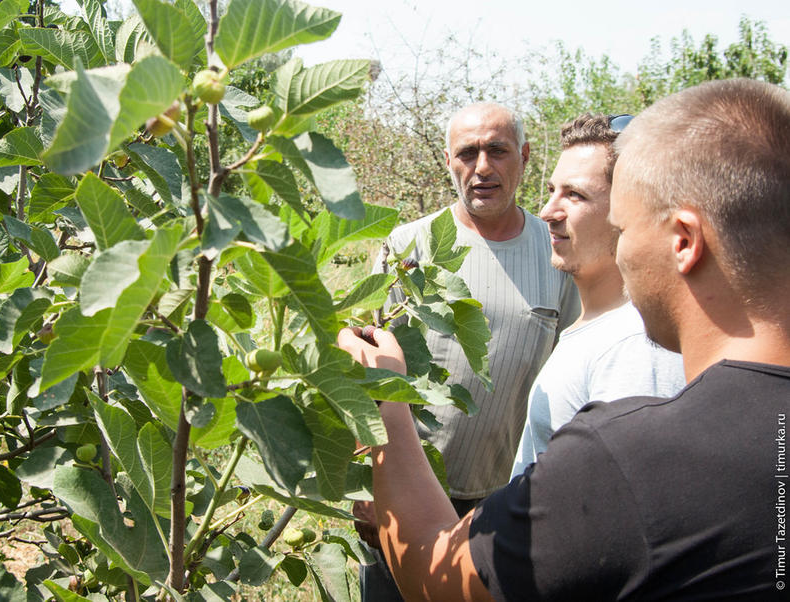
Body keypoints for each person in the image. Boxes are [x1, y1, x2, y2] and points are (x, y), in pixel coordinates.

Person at [338, 78, 790, 600]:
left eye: (625, 223)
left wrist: (389, 407)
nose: (552, 212)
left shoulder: (620, 450)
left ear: (683, 242)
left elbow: (441, 578)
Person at [357, 102, 580, 601]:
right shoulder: (408, 246)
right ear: (448, 160)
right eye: (468, 153)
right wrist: (367, 480)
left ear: (523, 156)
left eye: (498, 151)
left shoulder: (557, 251)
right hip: (403, 494)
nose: (482, 167)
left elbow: (574, 368)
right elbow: (364, 368)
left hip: (506, 501)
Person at [509, 113, 685, 478]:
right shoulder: (601, 330)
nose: (547, 212)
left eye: (575, 195)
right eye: (553, 190)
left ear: (630, 211)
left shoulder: (633, 347)